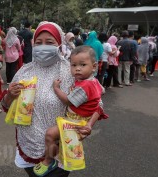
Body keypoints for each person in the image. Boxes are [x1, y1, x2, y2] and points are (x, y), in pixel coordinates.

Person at [1, 21, 101, 177]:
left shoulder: (71, 71)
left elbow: (97, 104)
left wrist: (88, 125)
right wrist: (10, 96)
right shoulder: (24, 71)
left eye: (49, 42)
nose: (43, 46)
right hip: (28, 143)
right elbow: (7, 106)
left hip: (61, 145)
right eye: (39, 42)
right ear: (33, 44)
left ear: (59, 44)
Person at [33, 45, 107, 177]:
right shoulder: (93, 81)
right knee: (65, 145)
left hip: (75, 121)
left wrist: (56, 88)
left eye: (83, 65)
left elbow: (68, 101)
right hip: (79, 119)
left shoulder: (85, 86)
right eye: (73, 65)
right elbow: (102, 92)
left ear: (94, 67)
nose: (77, 68)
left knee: (50, 134)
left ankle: (48, 161)